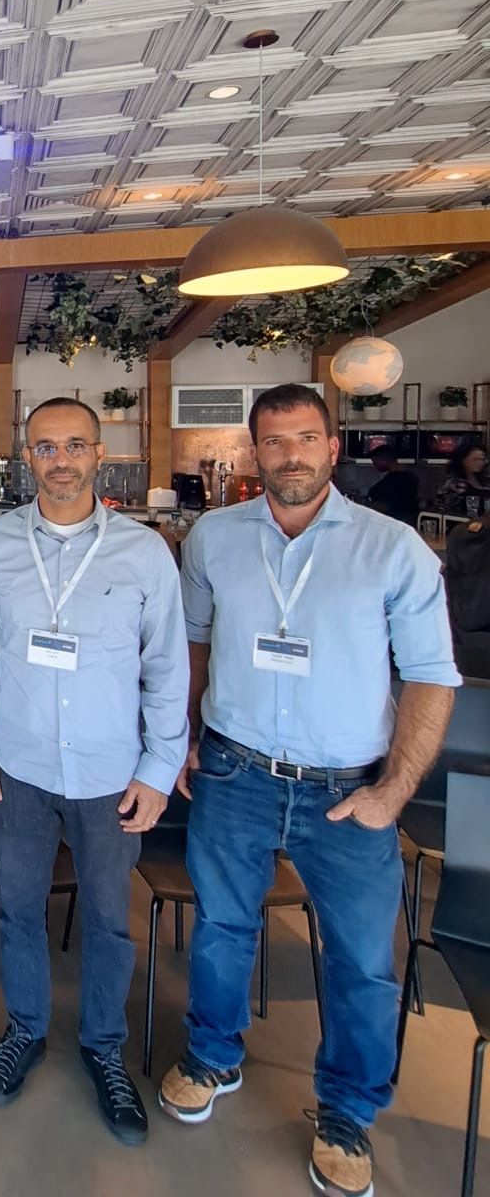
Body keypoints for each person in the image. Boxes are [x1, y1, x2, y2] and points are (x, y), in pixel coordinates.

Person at [159, 384, 459, 1197]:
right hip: (235, 772)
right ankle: (212, 1055)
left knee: (361, 960)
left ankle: (348, 1113)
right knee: (221, 929)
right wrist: (183, 736)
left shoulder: (393, 549)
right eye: (273, 441)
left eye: (304, 439)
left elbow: (432, 676)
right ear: (254, 452)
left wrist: (394, 792)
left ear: (332, 447)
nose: (289, 455)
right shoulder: (215, 538)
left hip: (349, 791)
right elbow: (193, 644)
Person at [0, 397, 188, 1144]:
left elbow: (167, 667)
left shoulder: (144, 552)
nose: (61, 460)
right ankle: (25, 1028)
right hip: (17, 768)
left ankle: (103, 1048)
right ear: (29, 457)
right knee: (18, 910)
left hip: (111, 775)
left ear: (99, 454)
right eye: (47, 447)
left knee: (110, 922)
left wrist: (159, 766)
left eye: (75, 445)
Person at [363, 444, 420, 526]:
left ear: (383, 460)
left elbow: (382, 506)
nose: (374, 466)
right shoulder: (412, 477)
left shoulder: (391, 481)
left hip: (394, 522)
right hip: (408, 522)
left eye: (375, 463)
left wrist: (366, 505)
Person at [433, 441, 489, 517]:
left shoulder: (485, 481)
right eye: (475, 459)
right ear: (463, 460)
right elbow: (444, 509)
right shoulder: (453, 483)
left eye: (482, 459)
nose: (480, 463)